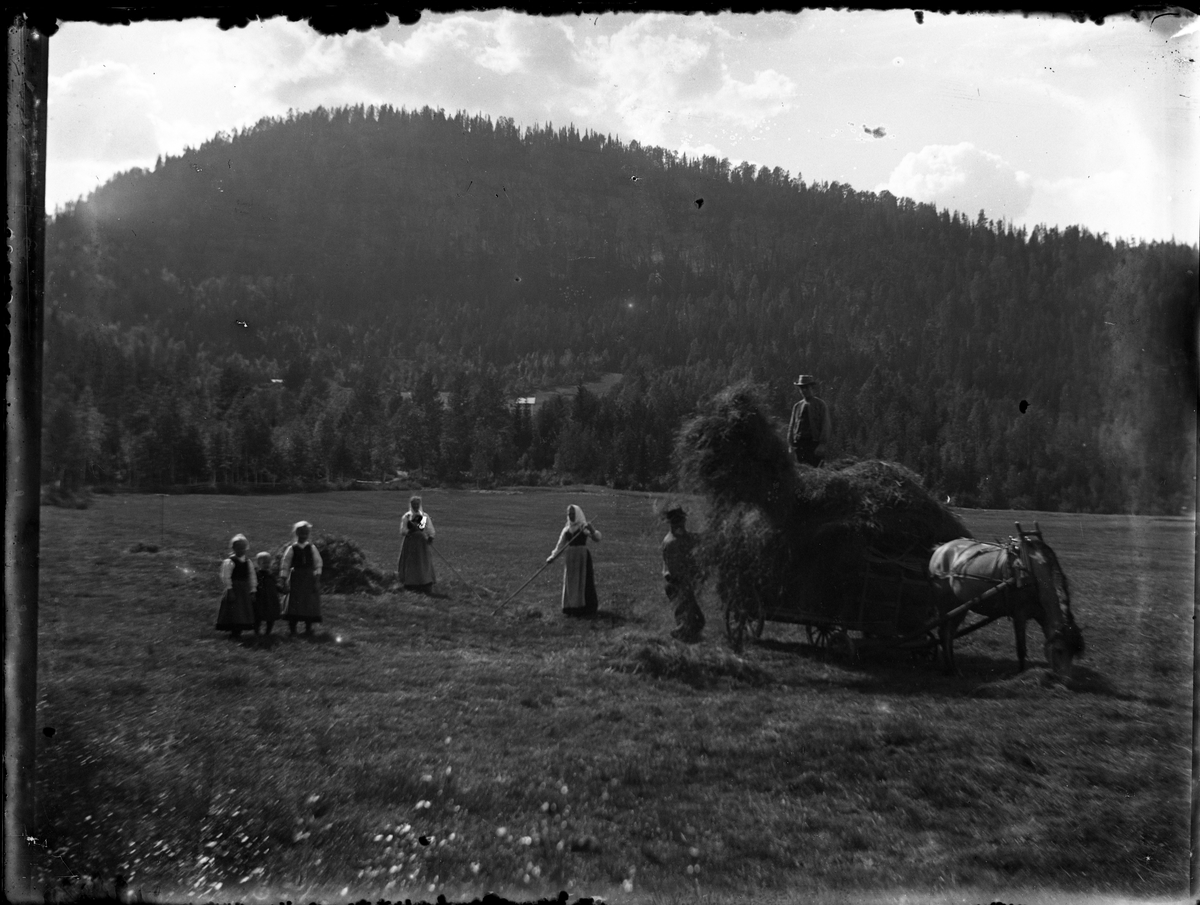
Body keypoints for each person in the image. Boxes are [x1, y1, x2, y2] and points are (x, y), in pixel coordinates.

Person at [547, 504, 601, 617]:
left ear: (577, 514)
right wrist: (552, 557)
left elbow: (597, 538)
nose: (571, 516)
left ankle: (585, 607)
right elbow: (560, 546)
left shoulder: (583, 527)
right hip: (571, 558)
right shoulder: (566, 529)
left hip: (582, 556)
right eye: (569, 514)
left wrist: (592, 530)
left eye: (573, 513)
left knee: (583, 580)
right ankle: (571, 607)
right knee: (571, 581)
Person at [662, 505, 704, 643]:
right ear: (675, 523)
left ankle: (685, 640)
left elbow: (694, 538)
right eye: (681, 521)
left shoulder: (681, 537)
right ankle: (677, 640)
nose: (684, 524)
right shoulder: (672, 542)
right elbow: (675, 571)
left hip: (682, 584)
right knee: (690, 622)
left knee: (696, 622)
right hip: (677, 585)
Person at [281, 520, 323, 635]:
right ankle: (292, 628)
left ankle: (308, 628)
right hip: (296, 577)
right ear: (296, 534)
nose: (304, 536)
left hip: (309, 577)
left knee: (308, 601)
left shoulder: (312, 548)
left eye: (306, 533)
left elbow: (318, 563)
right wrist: (284, 580)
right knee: (294, 601)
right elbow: (285, 564)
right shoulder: (292, 548)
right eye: (301, 533)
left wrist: (317, 579)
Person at [787, 374, 833, 467]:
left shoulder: (820, 405)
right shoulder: (797, 406)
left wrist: (822, 444)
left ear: (812, 388)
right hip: (799, 444)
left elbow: (825, 425)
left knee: (815, 471)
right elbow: (792, 426)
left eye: (806, 388)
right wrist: (790, 444)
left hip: (813, 445)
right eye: (801, 388)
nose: (804, 390)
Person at [215, 534, 257, 637]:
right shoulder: (230, 562)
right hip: (234, 588)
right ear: (233, 548)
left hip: (244, 589)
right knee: (233, 609)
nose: (241, 550)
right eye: (238, 548)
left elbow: (252, 576)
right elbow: (226, 576)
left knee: (242, 609)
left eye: (243, 548)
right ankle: (233, 629)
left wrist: (253, 590)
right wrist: (229, 589)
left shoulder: (248, 562)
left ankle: (239, 629)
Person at [397, 495, 437, 592]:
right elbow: (403, 531)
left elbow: (429, 528)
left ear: (419, 505)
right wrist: (409, 530)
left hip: (422, 543)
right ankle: (410, 583)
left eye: (417, 504)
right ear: (411, 505)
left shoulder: (424, 516)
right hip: (410, 543)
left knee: (423, 562)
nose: (415, 506)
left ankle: (425, 582)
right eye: (414, 504)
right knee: (411, 562)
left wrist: (431, 536)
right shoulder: (407, 517)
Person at [253, 551, 283, 637]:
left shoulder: (271, 574)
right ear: (258, 563)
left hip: (271, 598)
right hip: (261, 598)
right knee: (258, 615)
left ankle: (268, 632)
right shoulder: (257, 574)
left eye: (268, 562)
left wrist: (281, 589)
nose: (267, 564)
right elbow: (253, 584)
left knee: (271, 615)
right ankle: (256, 631)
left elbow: (275, 584)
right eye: (264, 563)